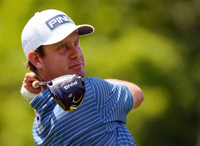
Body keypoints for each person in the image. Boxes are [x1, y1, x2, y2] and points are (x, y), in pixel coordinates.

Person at [20, 9, 144, 146]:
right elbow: (137, 93)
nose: (76, 54)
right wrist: (97, 85)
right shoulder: (91, 93)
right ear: (36, 59)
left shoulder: (39, 127)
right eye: (62, 46)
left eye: (76, 43)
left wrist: (43, 87)